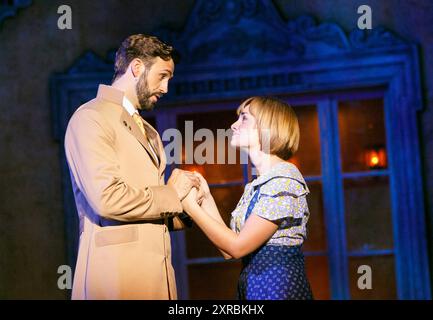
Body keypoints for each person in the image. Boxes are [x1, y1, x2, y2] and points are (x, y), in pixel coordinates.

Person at [64, 34, 201, 299]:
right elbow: (107, 199)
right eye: (162, 76)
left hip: (156, 279)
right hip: (116, 280)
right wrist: (172, 193)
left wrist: (186, 206)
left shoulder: (148, 130)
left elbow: (150, 208)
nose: (165, 88)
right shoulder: (91, 118)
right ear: (137, 68)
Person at [182, 96, 314, 300]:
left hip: (277, 290)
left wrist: (190, 207)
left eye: (244, 118)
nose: (233, 125)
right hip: (254, 288)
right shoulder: (259, 184)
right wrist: (206, 197)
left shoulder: (284, 180)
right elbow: (229, 248)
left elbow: (237, 247)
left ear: (267, 127)